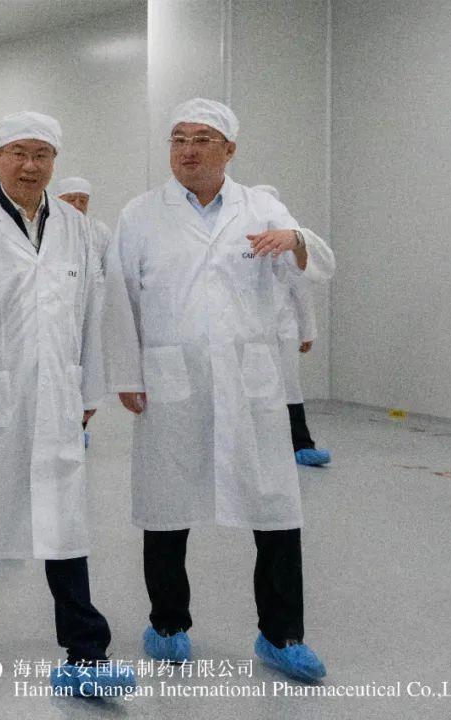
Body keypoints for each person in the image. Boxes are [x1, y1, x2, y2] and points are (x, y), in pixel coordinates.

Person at [108, 98, 335, 682]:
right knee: (166, 506)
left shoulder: (261, 208)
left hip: (248, 385)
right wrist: (126, 373)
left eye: (203, 139)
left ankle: (281, 636)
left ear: (229, 150)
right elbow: (120, 298)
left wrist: (296, 239)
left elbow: (317, 265)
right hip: (171, 381)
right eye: (179, 139)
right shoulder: (141, 214)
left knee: (275, 508)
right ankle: (167, 625)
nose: (188, 150)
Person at [0, 111, 135, 696]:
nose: (30, 165)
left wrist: (88, 390)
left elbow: (90, 314)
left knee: (65, 524)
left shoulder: (77, 228)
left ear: (54, 162)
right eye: (18, 153)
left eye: (42, 154)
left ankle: (86, 654)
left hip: (58, 398)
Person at [254, 185, 332, 467]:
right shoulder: (241, 249)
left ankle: (302, 444)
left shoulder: (288, 251)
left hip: (284, 329)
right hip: (250, 334)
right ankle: (259, 446)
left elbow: (302, 292)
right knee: (253, 389)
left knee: (290, 386)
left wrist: (308, 331)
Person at [54, 176, 113, 449]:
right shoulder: (50, 229)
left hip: (93, 312)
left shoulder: (99, 231)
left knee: (89, 370)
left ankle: (80, 426)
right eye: (71, 199)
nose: (78, 205)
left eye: (83, 200)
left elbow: (110, 271)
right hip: (59, 312)